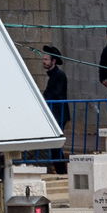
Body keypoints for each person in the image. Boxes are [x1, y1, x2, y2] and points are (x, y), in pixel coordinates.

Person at [40, 45, 68, 174]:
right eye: (44, 59)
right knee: (54, 145)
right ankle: (61, 170)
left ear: (53, 61)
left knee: (56, 145)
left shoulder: (59, 75)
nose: (44, 61)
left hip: (59, 114)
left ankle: (62, 171)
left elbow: (54, 94)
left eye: (46, 59)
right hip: (55, 114)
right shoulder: (53, 75)